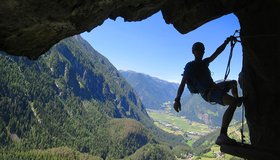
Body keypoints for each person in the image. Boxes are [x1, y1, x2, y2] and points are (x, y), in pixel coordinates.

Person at [173, 36, 243, 145]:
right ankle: (222, 135)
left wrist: (226, 42)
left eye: (202, 49)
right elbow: (182, 83)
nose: (201, 51)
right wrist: (177, 99)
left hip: (214, 88)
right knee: (232, 102)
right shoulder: (190, 66)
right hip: (208, 93)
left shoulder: (204, 62)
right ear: (193, 52)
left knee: (233, 83)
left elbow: (217, 53)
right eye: (199, 49)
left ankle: (237, 101)